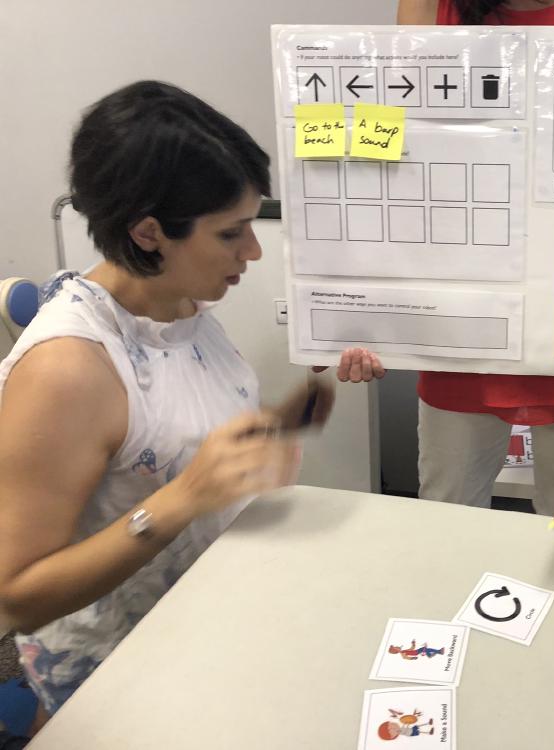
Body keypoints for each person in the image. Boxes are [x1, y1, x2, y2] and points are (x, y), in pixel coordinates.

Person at [0, 81, 333, 725]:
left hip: (204, 608)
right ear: (150, 232)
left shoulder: (180, 300)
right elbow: (15, 598)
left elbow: (151, 442)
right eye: (233, 233)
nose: (254, 251)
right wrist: (182, 499)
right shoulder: (67, 369)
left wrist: (257, 437)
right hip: (118, 661)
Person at [337, 0, 554, 518]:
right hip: (463, 310)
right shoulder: (432, 6)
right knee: (446, 509)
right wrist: (360, 305)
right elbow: (399, 154)